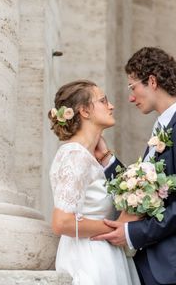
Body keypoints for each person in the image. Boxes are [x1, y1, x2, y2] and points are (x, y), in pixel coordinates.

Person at [92, 47, 176, 285]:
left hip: (171, 263)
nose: (130, 97)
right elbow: (142, 189)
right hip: (155, 261)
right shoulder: (166, 127)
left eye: (132, 87)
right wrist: (107, 159)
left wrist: (132, 233)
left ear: (151, 81)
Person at [48, 79, 140, 285]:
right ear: (85, 112)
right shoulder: (74, 155)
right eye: (103, 101)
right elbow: (62, 222)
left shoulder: (89, 157)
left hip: (103, 254)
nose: (111, 106)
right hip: (89, 258)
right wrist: (117, 228)